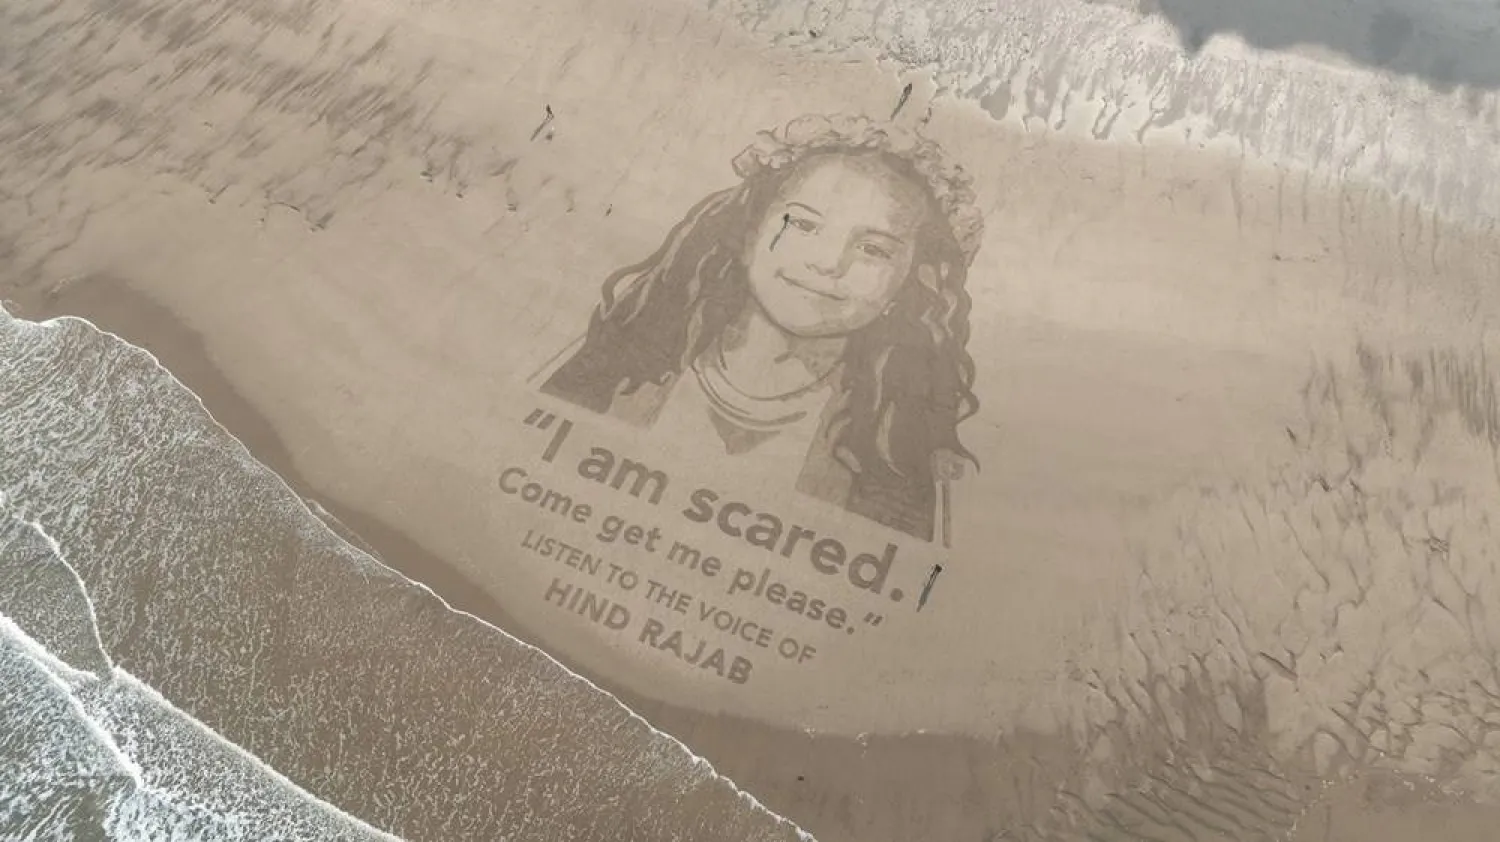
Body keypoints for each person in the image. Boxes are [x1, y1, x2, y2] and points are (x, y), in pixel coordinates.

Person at [538, 114, 985, 543]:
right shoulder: (620, 360)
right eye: (804, 224)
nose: (829, 263)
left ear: (909, 281)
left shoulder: (894, 452)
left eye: (872, 248)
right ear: (749, 234)